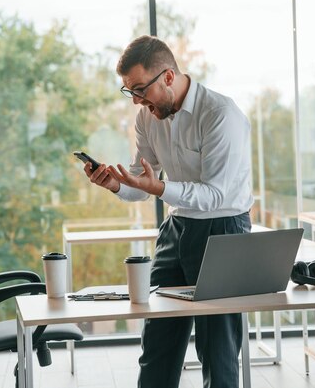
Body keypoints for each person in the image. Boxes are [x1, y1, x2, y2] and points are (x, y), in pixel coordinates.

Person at [82, 35, 253, 388]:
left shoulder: (220, 114)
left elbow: (216, 195)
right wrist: (116, 184)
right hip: (176, 229)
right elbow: (142, 182)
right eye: (129, 91)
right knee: (158, 340)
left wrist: (157, 188)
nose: (137, 101)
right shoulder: (149, 117)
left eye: (141, 89)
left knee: (217, 347)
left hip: (223, 231)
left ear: (169, 77)